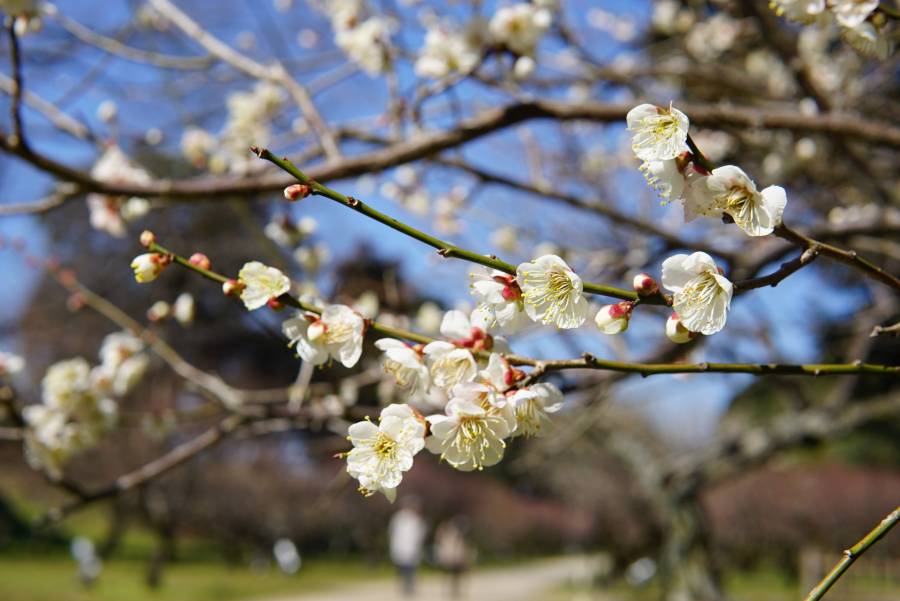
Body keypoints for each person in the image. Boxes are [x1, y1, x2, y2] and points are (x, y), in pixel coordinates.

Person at [388, 496, 427, 597]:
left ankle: (409, 587)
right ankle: (404, 586)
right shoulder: (398, 518)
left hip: (412, 549)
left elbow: (420, 534)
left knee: (411, 569)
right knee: (402, 569)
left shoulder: (416, 519)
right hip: (400, 548)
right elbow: (393, 532)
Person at [434, 515, 473, 599]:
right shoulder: (446, 534)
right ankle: (451, 590)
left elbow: (462, 547)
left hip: (456, 557)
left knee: (456, 576)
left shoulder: (458, 534)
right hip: (451, 557)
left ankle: (455, 590)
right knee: (451, 575)